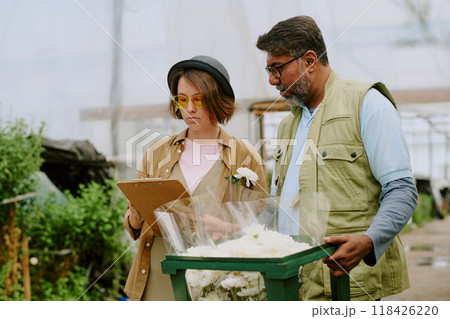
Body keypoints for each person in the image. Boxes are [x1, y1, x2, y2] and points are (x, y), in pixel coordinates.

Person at [256, 16, 418, 300]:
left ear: (309, 60)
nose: (271, 79)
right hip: (294, 283)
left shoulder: (367, 104)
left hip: (346, 283)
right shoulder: (287, 125)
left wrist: (368, 240)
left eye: (277, 68)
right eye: (268, 70)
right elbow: (280, 203)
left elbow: (402, 191)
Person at [122, 55, 268, 301]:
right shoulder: (156, 153)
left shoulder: (244, 155)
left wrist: (228, 228)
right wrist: (137, 214)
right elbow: (133, 227)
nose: (189, 108)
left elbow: (262, 226)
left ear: (218, 100)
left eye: (198, 99)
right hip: (159, 280)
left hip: (217, 280)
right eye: (182, 99)